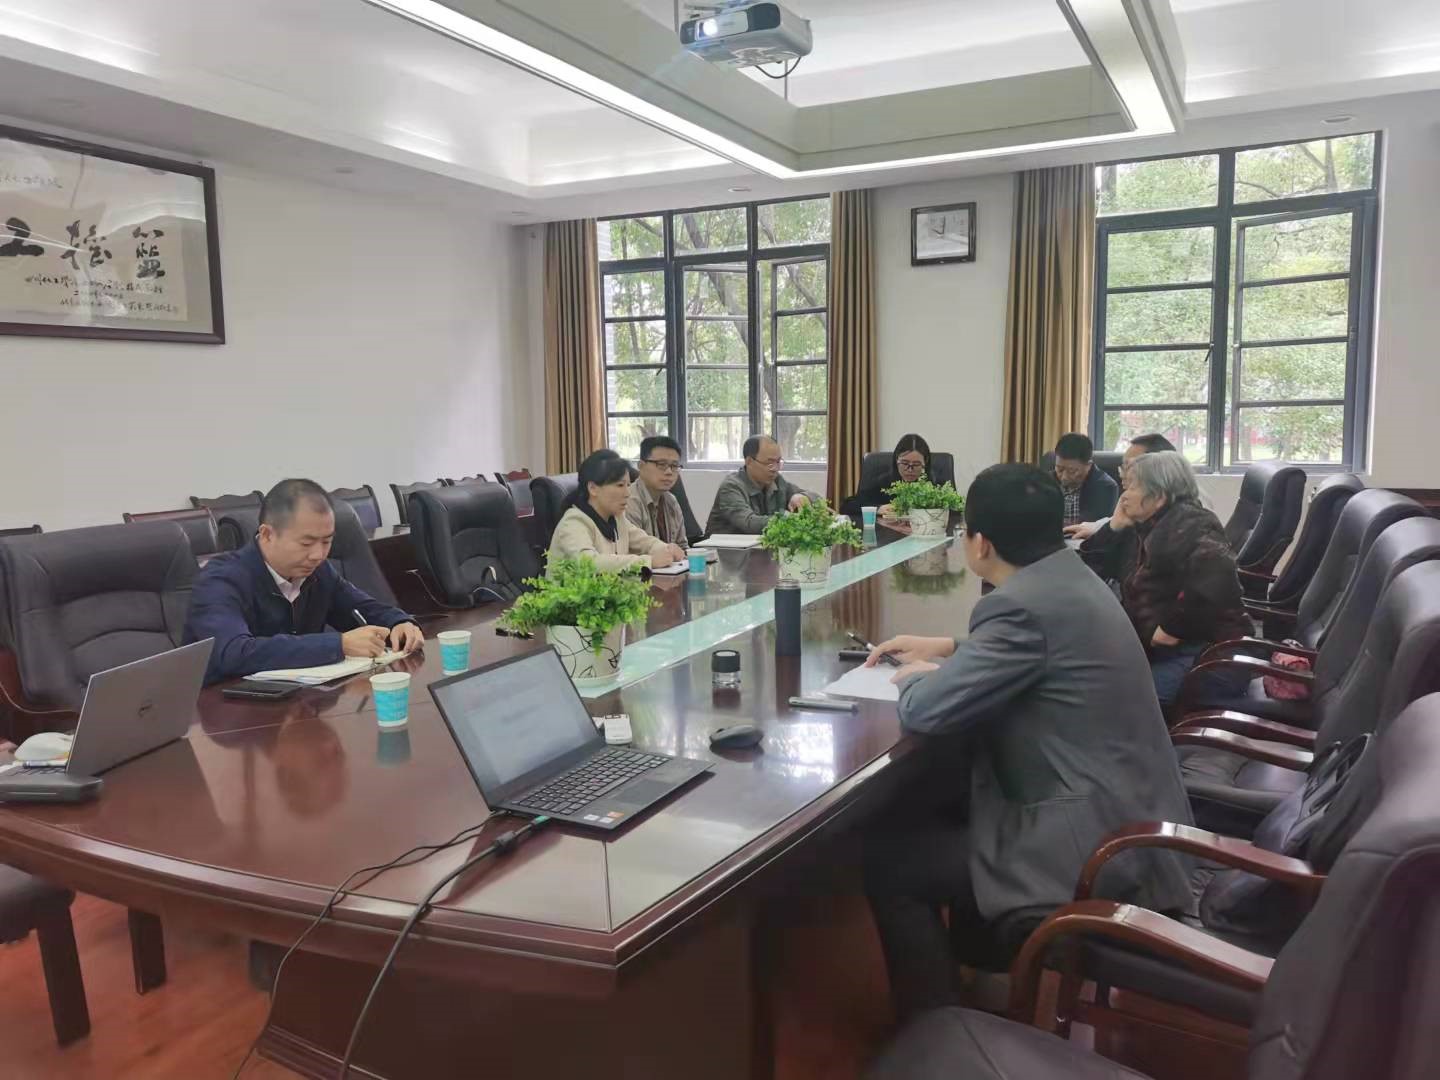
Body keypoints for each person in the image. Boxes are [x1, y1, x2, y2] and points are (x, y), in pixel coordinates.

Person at [860, 464, 1193, 1019]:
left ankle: (938, 1031)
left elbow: (926, 711)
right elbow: (1042, 643)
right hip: (1131, 813)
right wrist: (951, 647)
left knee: (892, 866)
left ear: (980, 543)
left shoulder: (1017, 606)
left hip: (1095, 847)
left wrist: (914, 677)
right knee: (948, 792)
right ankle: (980, 966)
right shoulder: (1067, 575)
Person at [185, 479, 423, 685]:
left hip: (300, 702)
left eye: (326, 541)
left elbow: (362, 608)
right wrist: (338, 645)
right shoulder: (220, 581)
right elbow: (233, 653)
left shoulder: (319, 571)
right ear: (267, 535)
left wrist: (399, 622)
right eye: (306, 543)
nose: (318, 555)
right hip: (226, 711)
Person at [1079, 450, 1252, 707]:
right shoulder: (1143, 526)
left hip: (1207, 654)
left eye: (1132, 487)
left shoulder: (1193, 523)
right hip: (1161, 650)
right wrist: (1114, 526)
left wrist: (1173, 628)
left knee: (1122, 704)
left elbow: (1218, 577)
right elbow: (1092, 568)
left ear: (1159, 496)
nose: (1124, 495)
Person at [550, 449, 685, 573]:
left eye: (628, 485)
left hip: (612, 591)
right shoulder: (573, 522)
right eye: (620, 485)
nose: (627, 493)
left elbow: (644, 541)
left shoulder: (617, 518)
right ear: (593, 488)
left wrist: (666, 549)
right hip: (574, 593)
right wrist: (648, 562)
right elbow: (590, 563)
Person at [1063, 432, 1176, 540]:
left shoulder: (1173, 528)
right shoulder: (1139, 512)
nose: (1122, 475)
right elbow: (1113, 521)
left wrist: (1107, 531)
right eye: (1123, 466)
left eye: (1129, 467)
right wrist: (1100, 528)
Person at [705, 434, 821, 535]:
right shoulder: (731, 487)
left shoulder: (776, 481)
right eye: (769, 463)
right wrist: (789, 519)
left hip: (758, 549)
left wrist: (802, 496)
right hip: (721, 551)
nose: (775, 469)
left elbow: (817, 499)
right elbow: (749, 523)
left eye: (778, 462)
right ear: (749, 462)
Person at [839, 433, 932, 522]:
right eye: (904, 463)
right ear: (896, 460)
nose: (910, 470)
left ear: (925, 463)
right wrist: (878, 509)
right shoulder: (883, 483)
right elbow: (847, 506)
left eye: (916, 464)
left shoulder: (934, 486)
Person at [625, 435, 690, 548]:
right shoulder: (629, 501)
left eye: (674, 466)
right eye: (661, 464)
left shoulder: (671, 501)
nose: (669, 472)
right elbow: (634, 549)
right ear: (641, 466)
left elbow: (682, 546)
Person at [1052, 432, 1117, 527]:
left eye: (1072, 471)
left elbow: (1092, 526)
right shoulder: (1046, 482)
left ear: (1088, 465)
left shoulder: (1105, 487)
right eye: (1059, 469)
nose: (1064, 477)